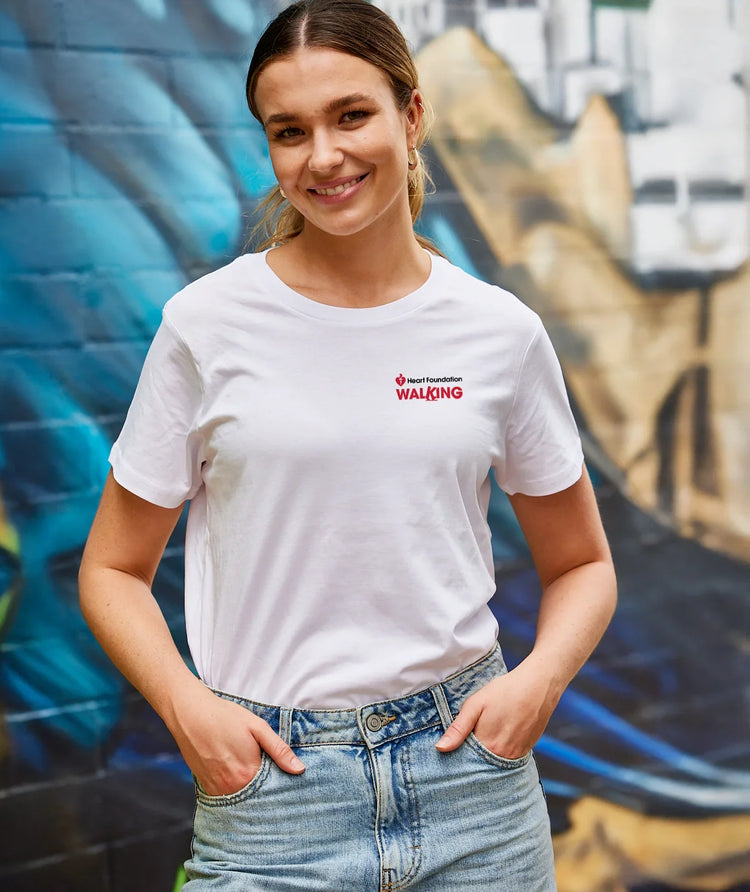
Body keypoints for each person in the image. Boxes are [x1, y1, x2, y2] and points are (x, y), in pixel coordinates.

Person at [78, 0, 617, 888]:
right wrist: (188, 710)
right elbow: (111, 570)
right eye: (289, 131)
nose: (323, 157)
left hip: (472, 786)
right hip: (274, 797)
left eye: (351, 116)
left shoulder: (498, 331)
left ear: (409, 117)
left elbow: (583, 565)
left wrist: (537, 685)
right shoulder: (207, 325)